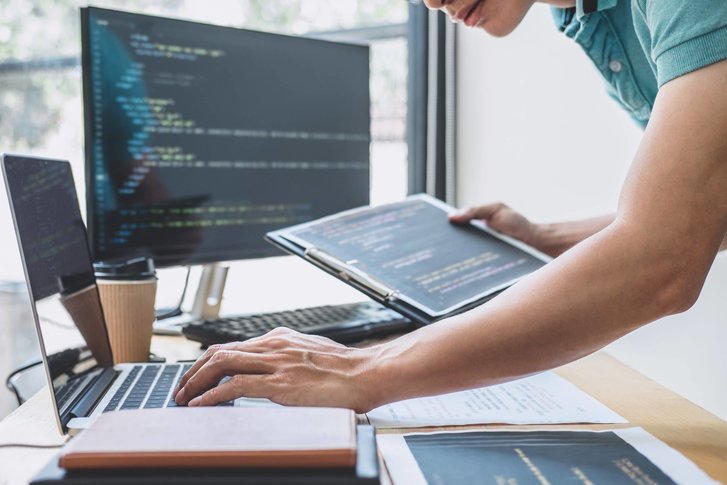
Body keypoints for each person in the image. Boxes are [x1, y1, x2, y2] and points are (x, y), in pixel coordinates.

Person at [173, 0, 727, 412]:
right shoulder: (590, 17)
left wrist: (362, 368)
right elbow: (704, 204)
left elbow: (663, 260)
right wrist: (544, 239)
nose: (431, 3)